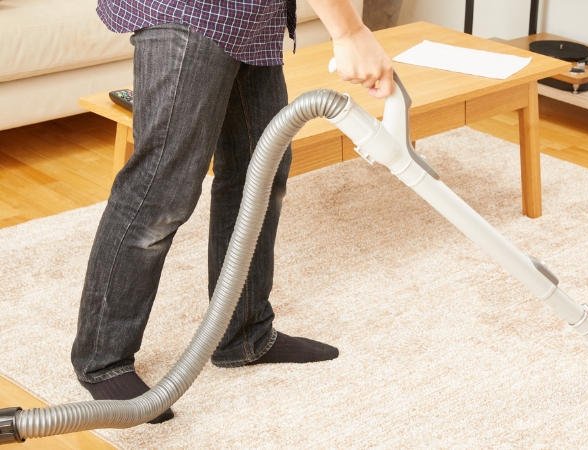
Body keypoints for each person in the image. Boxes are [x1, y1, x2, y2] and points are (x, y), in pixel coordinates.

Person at [71, 0, 394, 424]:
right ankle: (102, 359)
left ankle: (243, 333)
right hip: (192, 11)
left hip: (251, 17)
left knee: (260, 171)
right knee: (161, 189)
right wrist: (350, 32)